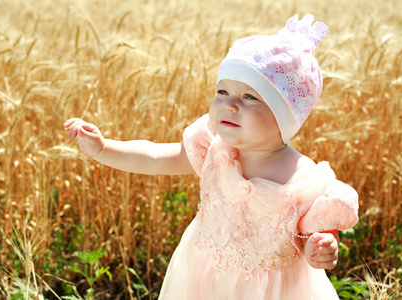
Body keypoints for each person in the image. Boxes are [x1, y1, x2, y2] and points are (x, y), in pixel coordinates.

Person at [63, 14, 358, 300]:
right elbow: (154, 157)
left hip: (275, 291)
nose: (229, 105)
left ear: (286, 117)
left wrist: (320, 246)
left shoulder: (302, 178)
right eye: (223, 91)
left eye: (250, 97)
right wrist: (104, 148)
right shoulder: (213, 150)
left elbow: (316, 233)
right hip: (204, 278)